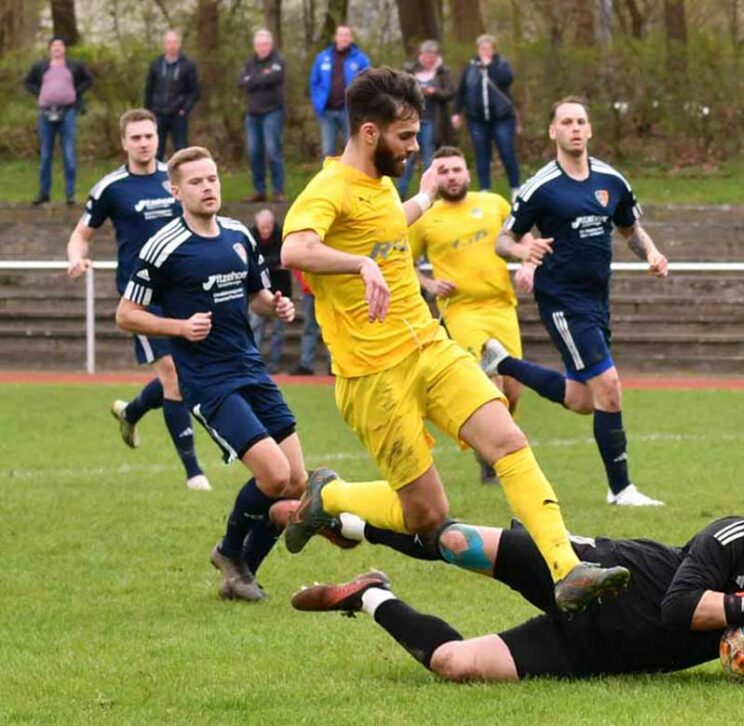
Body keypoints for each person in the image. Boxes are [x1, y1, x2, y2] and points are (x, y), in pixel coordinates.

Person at [280, 68, 629, 615]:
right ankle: (329, 496)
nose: (415, 146)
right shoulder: (327, 188)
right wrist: (359, 266)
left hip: (431, 346)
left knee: (508, 440)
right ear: (370, 133)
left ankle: (567, 568)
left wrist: (420, 199)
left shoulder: (378, 185)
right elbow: (296, 250)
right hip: (373, 374)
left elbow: (385, 225)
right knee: (426, 515)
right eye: (406, 136)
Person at [288, 492, 744, 684]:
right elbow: (680, 608)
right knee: (457, 541)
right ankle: (351, 522)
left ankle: (367, 594)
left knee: (453, 665)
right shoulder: (735, 534)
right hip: (591, 574)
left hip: (597, 653)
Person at [115, 146, 309, 601]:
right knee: (275, 476)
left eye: (213, 179)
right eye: (197, 182)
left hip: (250, 367)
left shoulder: (240, 234)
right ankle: (227, 551)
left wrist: (276, 306)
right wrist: (178, 327)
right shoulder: (163, 246)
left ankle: (242, 573)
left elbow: (257, 296)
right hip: (208, 380)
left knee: (297, 481)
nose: (208, 188)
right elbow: (126, 314)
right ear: (176, 190)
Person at [481, 96, 669, 507]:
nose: (575, 128)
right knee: (610, 387)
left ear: (590, 129)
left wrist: (652, 254)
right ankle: (621, 489)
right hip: (562, 301)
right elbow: (502, 239)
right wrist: (521, 253)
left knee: (584, 400)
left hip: (599, 299)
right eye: (566, 122)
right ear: (553, 132)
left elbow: (631, 229)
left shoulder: (611, 181)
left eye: (581, 121)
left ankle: (502, 363)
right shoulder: (541, 187)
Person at [66, 109, 209, 492]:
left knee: (184, 375)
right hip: (142, 297)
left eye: (149, 136)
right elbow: (81, 233)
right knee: (173, 377)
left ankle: (131, 411)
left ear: (158, 138)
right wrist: (76, 258)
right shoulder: (111, 187)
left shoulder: (175, 179)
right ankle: (195, 473)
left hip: (185, 290)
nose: (144, 142)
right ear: (124, 142)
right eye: (137, 137)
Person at [408, 146, 530, 484]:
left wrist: (527, 264)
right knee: (488, 382)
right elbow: (403, 263)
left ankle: (491, 445)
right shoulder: (426, 218)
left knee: (513, 390)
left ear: (468, 173)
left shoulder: (493, 204)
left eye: (456, 170)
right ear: (435, 177)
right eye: (443, 171)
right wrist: (429, 284)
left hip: (502, 306)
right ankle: (494, 453)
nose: (451, 176)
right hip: (462, 311)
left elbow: (523, 235)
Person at [24, 36, 93, 207]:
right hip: (46, 113)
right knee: (45, 155)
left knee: (69, 155)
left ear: (64, 49)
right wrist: (39, 92)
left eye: (60, 45)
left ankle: (70, 195)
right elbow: (27, 81)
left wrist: (76, 93)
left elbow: (88, 80)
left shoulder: (73, 66)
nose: (57, 48)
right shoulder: (41, 66)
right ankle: (44, 194)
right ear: (49, 49)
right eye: (54, 45)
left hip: (67, 112)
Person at [452, 34, 520, 194]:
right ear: (477, 49)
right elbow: (461, 91)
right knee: (482, 154)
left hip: (501, 118)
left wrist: (489, 66)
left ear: (494, 50)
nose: (485, 51)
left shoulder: (502, 65)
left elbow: (506, 80)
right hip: (477, 119)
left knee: (507, 151)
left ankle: (515, 188)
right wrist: (456, 112)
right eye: (482, 48)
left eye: (488, 48)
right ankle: (485, 190)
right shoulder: (470, 67)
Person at [396, 40, 455, 199]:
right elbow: (399, 91)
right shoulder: (409, 70)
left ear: (437, 57)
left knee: (430, 157)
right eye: (426, 56)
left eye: (432, 56)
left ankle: (431, 193)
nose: (429, 59)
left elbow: (450, 93)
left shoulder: (443, 72)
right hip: (410, 120)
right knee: (406, 157)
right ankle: (400, 194)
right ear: (421, 56)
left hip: (433, 121)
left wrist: (434, 92)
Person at [309, 24, 372, 158]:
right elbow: (314, 83)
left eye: (346, 35)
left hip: (350, 111)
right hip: (327, 111)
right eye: (341, 35)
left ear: (351, 38)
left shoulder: (360, 59)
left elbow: (369, 83)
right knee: (327, 151)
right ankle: (329, 178)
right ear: (336, 37)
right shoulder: (323, 57)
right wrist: (317, 102)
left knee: (354, 148)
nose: (343, 38)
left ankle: (353, 178)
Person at [239, 29, 286, 203]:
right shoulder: (250, 62)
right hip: (253, 114)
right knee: (254, 152)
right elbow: (242, 81)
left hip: (272, 111)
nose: (262, 48)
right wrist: (259, 78)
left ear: (271, 45)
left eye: (265, 44)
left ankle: (278, 190)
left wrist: (254, 80)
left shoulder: (278, 60)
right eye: (259, 45)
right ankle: (259, 190)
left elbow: (274, 77)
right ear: (255, 46)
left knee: (273, 151)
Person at [144, 29, 201, 161]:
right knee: (156, 149)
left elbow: (195, 91)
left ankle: (182, 179)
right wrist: (148, 112)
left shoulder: (188, 65)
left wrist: (184, 109)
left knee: (181, 151)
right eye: (169, 42)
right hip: (158, 114)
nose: (172, 46)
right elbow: (149, 89)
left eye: (175, 42)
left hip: (178, 115)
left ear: (179, 44)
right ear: (164, 44)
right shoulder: (156, 64)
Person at [248, 209, 292, 373]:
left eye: (269, 227)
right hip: (258, 289)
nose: (266, 231)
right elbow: (252, 261)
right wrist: (272, 264)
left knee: (278, 330)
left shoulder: (281, 235)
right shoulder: (249, 236)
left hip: (280, 289)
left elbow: (284, 259)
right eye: (263, 227)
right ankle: (254, 361)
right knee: (256, 327)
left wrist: (265, 263)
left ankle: (274, 362)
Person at [289, 270, 329, 376]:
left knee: (313, 329)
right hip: (312, 290)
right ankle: (307, 363)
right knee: (310, 328)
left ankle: (309, 363)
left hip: (324, 290)